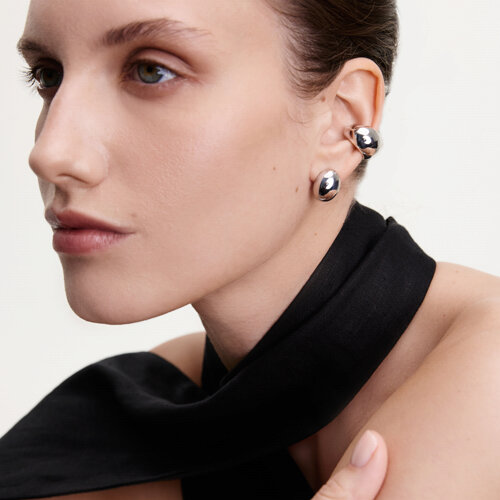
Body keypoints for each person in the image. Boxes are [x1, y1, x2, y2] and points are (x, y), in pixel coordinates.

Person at [1, 0, 499, 499]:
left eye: (152, 71)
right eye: (48, 75)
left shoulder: (488, 374)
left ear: (340, 120)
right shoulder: (130, 425)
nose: (50, 153)